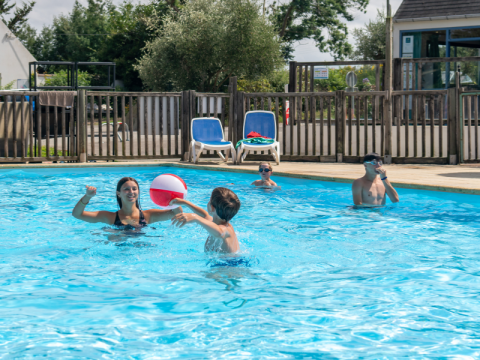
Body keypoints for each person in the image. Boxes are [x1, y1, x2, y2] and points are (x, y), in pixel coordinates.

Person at [72, 177, 182, 229]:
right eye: (126, 189)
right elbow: (77, 214)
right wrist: (87, 196)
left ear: (138, 192)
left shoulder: (149, 215)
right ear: (118, 194)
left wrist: (173, 196)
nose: (131, 192)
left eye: (134, 189)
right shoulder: (109, 217)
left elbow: (176, 213)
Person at [170, 187, 241, 253]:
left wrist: (195, 218)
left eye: (209, 201)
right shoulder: (217, 222)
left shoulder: (226, 230)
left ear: (212, 208)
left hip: (229, 265)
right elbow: (204, 215)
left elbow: (220, 232)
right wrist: (185, 203)